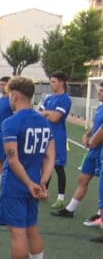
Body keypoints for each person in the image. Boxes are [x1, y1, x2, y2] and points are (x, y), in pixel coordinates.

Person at [0, 76, 54, 259]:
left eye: (9, 94)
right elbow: (50, 157)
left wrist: (28, 184)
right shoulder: (43, 121)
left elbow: (13, 159)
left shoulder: (11, 122)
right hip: (35, 182)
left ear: (14, 95)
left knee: (18, 233)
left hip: (17, 185)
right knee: (31, 228)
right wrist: (41, 183)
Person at [51, 81, 103, 220]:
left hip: (100, 150)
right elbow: (96, 126)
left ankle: (100, 215)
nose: (98, 92)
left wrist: (93, 141)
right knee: (83, 179)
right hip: (93, 151)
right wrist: (87, 134)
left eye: (101, 91)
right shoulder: (99, 108)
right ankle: (70, 209)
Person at [39, 71, 71, 210]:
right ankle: (43, 191)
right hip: (45, 135)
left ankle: (61, 198)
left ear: (61, 82)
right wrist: (46, 113)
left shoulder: (65, 99)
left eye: (54, 82)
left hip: (58, 136)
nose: (51, 84)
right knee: (45, 165)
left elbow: (55, 118)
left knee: (58, 167)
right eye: (51, 81)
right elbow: (38, 114)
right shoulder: (48, 98)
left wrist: (46, 113)